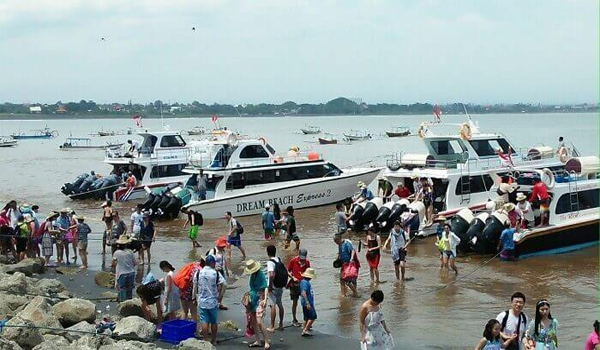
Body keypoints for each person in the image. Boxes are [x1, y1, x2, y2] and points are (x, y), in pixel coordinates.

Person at [193, 255, 225, 345]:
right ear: (212, 263)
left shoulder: (198, 272)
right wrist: (220, 296)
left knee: (204, 321)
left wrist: (193, 298)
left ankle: (206, 339)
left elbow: (194, 287)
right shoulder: (216, 273)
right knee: (214, 321)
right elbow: (224, 284)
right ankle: (214, 340)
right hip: (213, 301)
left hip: (202, 301)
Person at [243, 259, 270, 349]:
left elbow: (265, 287)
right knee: (253, 320)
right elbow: (251, 288)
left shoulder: (261, 274)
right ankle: (258, 340)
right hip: (253, 299)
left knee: (259, 321)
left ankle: (266, 341)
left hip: (260, 299)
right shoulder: (252, 275)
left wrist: (265, 299)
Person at [287, 248, 310, 327]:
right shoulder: (293, 261)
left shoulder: (307, 262)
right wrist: (293, 277)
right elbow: (288, 271)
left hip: (302, 285)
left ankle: (306, 320)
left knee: (305, 302)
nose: (302, 260)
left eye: (304, 258)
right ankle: (294, 319)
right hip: (294, 285)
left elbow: (308, 273)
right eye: (301, 258)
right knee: (295, 303)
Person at [265, 245, 285, 332]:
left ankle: (272, 326)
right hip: (280, 284)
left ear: (267, 252)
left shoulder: (270, 262)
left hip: (273, 286)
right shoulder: (278, 259)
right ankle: (281, 324)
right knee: (280, 304)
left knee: (272, 305)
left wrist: (269, 286)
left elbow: (271, 274)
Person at [112, 235, 137, 302]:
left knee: (122, 289)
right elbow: (135, 263)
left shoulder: (116, 253)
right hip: (131, 272)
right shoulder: (130, 252)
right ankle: (129, 304)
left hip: (121, 274)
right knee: (129, 290)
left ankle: (122, 303)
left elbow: (113, 264)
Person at [334, 233, 359, 298]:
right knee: (341, 279)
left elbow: (353, 250)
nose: (336, 243)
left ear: (339, 239)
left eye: (336, 241)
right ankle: (343, 294)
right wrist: (337, 258)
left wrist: (351, 259)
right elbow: (340, 252)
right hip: (343, 264)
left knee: (348, 280)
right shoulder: (339, 244)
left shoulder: (346, 243)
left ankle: (355, 292)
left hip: (349, 264)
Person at [207, 237, 229, 310]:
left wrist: (227, 270)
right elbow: (208, 261)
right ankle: (214, 302)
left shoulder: (222, 251)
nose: (223, 247)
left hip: (221, 271)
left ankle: (219, 302)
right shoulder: (212, 251)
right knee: (217, 287)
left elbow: (224, 261)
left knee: (223, 286)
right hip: (214, 271)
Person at [299, 268, 317, 337]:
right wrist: (307, 302)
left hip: (306, 302)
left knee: (306, 317)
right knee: (313, 316)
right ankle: (305, 330)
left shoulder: (304, 282)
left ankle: (304, 328)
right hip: (307, 302)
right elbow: (303, 292)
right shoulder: (305, 282)